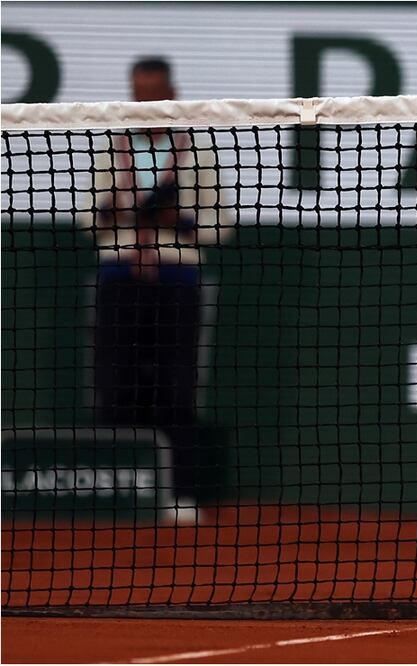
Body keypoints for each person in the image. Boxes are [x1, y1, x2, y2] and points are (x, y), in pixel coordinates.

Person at [76, 57, 233, 524]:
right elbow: (87, 220)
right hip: (119, 278)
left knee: (177, 385)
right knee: (115, 382)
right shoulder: (112, 149)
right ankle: (112, 489)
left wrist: (179, 222)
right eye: (139, 94)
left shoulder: (197, 150)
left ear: (172, 94)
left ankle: (180, 493)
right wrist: (115, 213)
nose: (146, 103)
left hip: (178, 280)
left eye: (154, 94)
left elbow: (221, 224)